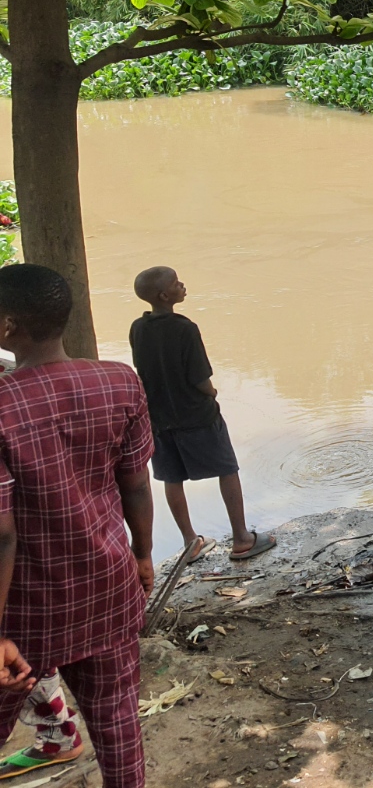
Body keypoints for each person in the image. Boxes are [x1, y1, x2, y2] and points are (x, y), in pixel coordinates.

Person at [0, 263, 154, 788]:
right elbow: (135, 483)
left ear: (7, 327)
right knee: (118, 722)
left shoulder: (3, 404)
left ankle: (53, 739)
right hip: (108, 585)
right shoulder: (119, 381)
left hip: (26, 608)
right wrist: (143, 553)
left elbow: (3, 533)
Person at [129, 267, 273, 561]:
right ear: (164, 295)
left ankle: (190, 541)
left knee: (171, 478)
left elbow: (144, 372)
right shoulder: (185, 328)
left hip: (159, 419)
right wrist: (212, 392)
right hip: (197, 415)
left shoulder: (138, 328)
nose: (182, 285)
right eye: (176, 283)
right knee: (227, 469)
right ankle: (242, 538)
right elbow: (199, 378)